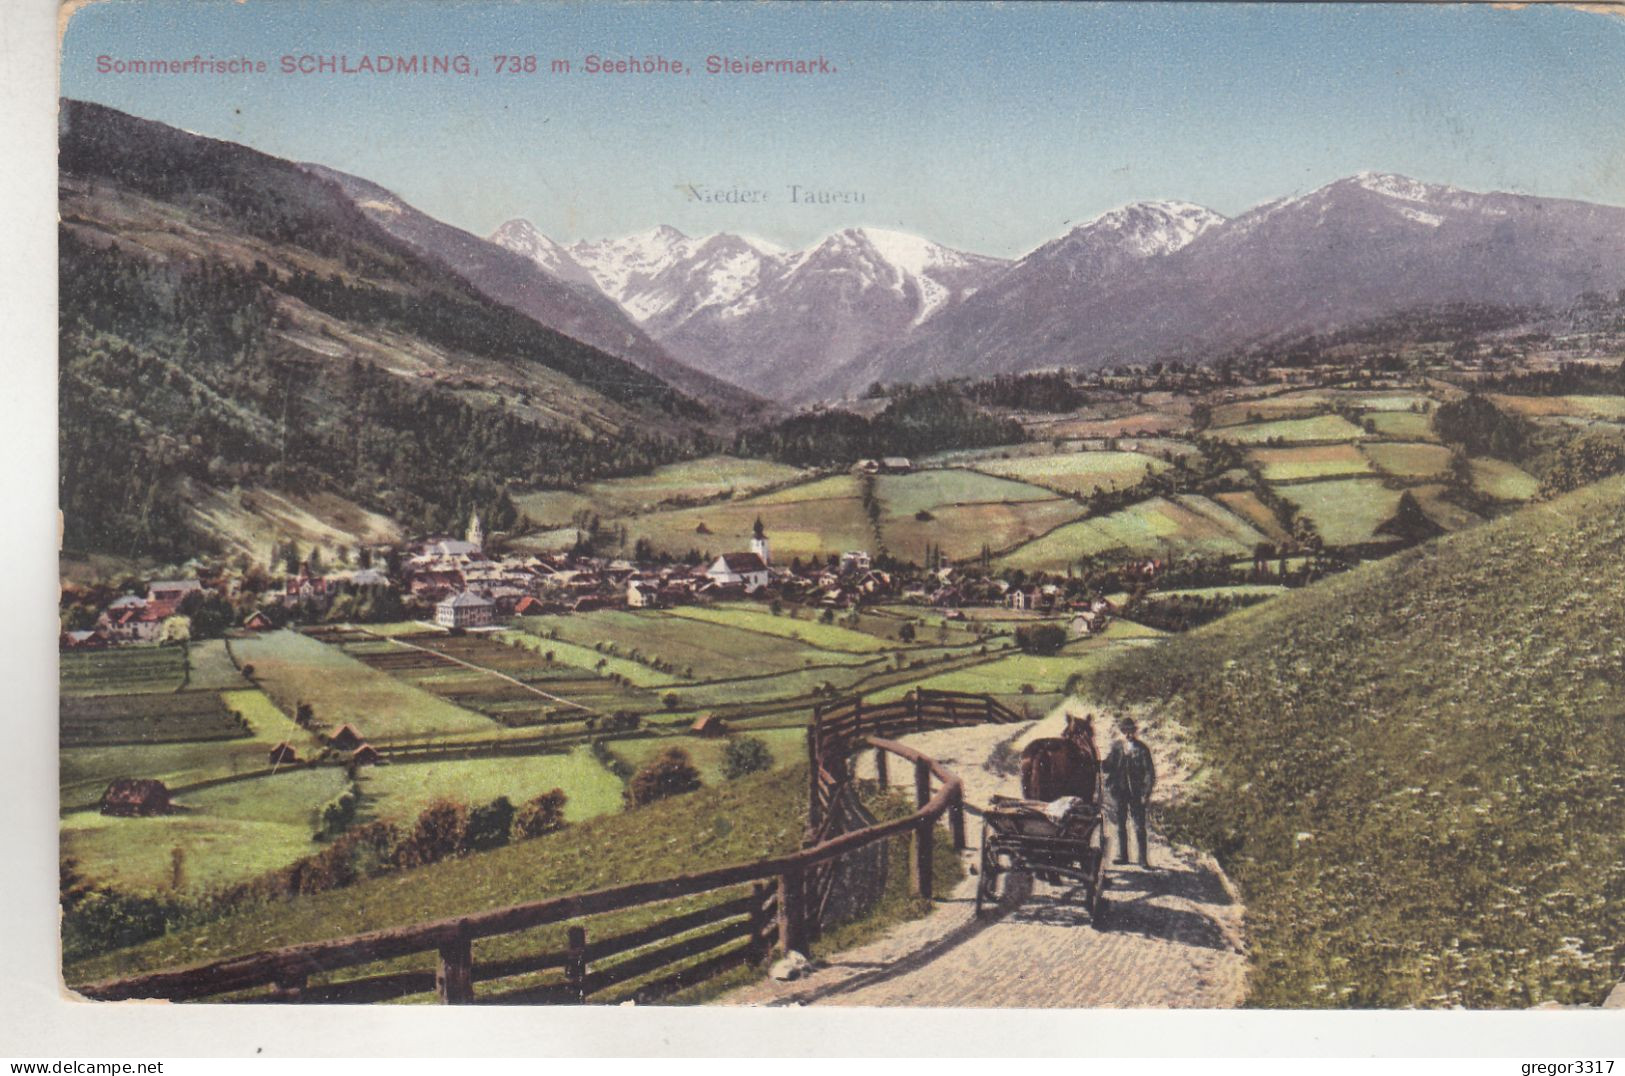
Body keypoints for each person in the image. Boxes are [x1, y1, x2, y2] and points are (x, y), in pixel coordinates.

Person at [1104, 717, 1155, 867]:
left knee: (1139, 826)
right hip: (1119, 791)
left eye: (1130, 731)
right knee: (1120, 824)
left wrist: (1146, 793)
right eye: (1125, 731)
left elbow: (1149, 773)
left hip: (1136, 793)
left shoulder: (1142, 749)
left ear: (1135, 732)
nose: (1128, 735)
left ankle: (1143, 859)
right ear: (1122, 732)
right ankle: (1123, 856)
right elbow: (1107, 766)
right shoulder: (1117, 747)